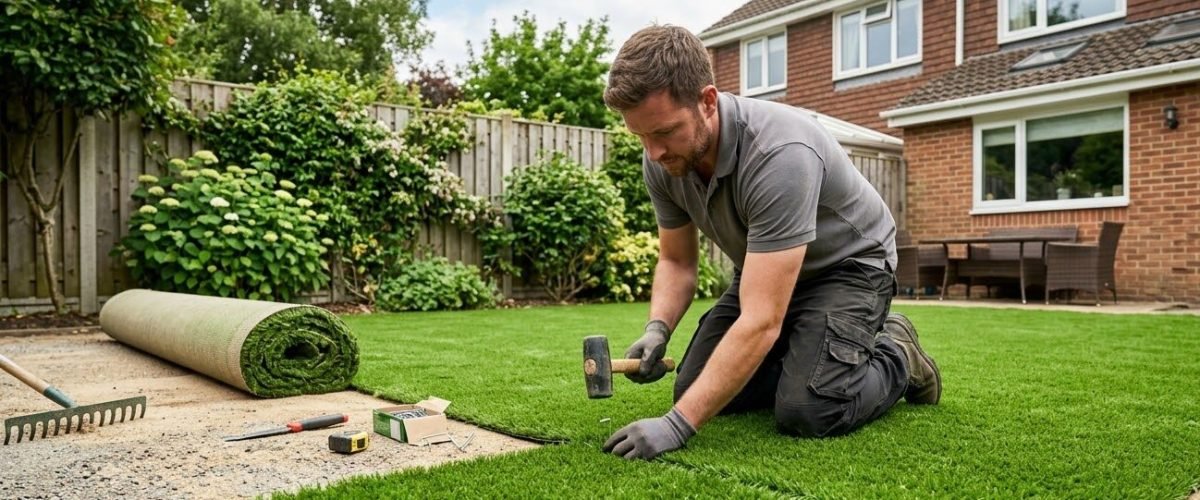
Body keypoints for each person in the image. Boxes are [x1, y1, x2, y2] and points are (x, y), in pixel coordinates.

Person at [600, 25, 942, 461]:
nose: (652, 152)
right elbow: (676, 261)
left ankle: (898, 352)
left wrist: (677, 425)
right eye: (640, 137)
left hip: (850, 269)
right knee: (693, 385)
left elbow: (761, 319)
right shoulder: (664, 163)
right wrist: (657, 328)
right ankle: (811, 353)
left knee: (809, 409)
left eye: (664, 132)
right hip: (766, 269)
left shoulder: (780, 153)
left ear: (707, 101)